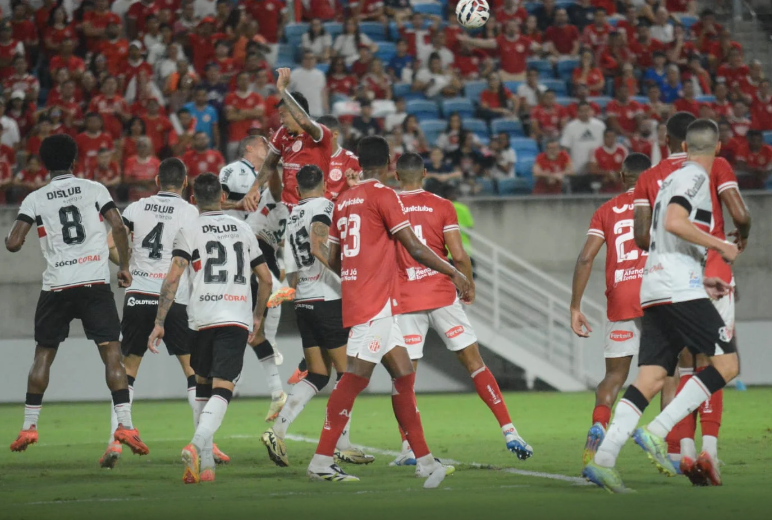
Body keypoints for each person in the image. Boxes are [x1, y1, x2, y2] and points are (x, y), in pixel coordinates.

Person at [583, 119, 740, 493]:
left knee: (651, 377)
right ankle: (658, 430)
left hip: (651, 285)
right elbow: (676, 221)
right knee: (725, 364)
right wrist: (721, 245)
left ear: (672, 142)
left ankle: (604, 459)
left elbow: (644, 236)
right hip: (683, 285)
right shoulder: (698, 173)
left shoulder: (653, 178)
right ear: (713, 147)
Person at [305, 135, 471, 484]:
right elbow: (414, 247)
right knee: (355, 377)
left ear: (359, 162)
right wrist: (454, 272)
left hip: (367, 296)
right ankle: (321, 461)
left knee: (403, 373)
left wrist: (356, 276)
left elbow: (332, 256)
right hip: (375, 300)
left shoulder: (344, 199)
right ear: (389, 162)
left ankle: (424, 460)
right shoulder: (384, 195)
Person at [6, 134, 148, 457]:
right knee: (111, 352)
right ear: (74, 161)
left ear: (44, 164)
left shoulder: (35, 198)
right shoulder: (94, 189)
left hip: (56, 286)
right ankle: (125, 424)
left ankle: (29, 426)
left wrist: (12, 239)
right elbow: (118, 226)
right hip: (93, 283)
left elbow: (13, 243)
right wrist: (125, 267)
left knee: (43, 354)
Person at [391, 152, 533, 465]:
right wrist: (468, 284)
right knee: (474, 363)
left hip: (405, 298)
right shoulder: (443, 205)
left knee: (405, 376)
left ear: (396, 176)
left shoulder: (387, 205)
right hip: (442, 294)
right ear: (425, 173)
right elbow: (458, 254)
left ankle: (409, 448)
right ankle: (510, 431)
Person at [99, 158, 229, 468]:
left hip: (138, 295)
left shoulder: (137, 208)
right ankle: (204, 443)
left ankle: (114, 442)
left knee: (128, 369)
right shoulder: (190, 211)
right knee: (193, 371)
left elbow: (110, 243)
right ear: (185, 183)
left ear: (157, 181)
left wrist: (127, 267)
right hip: (175, 299)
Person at [148, 173, 273, 484]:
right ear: (222, 197)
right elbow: (266, 279)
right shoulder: (243, 229)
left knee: (202, 386)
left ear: (193, 200)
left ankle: (205, 466)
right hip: (235, 317)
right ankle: (196, 445)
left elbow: (172, 278)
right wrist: (258, 316)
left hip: (201, 318)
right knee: (223, 387)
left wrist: (160, 322)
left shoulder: (188, 229)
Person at [261, 165, 374, 467]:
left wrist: (299, 294)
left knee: (318, 374)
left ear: (297, 189)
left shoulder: (293, 215)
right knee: (348, 375)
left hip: (304, 300)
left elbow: (291, 268)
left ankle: (277, 430)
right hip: (328, 299)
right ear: (324, 185)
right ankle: (341, 444)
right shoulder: (325, 207)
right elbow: (317, 245)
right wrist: (346, 277)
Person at [570, 153, 652, 467]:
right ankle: (674, 448)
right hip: (655, 294)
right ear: (651, 178)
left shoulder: (605, 210)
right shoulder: (659, 204)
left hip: (620, 296)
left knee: (615, 375)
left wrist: (575, 306)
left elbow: (585, 258)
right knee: (670, 372)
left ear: (621, 177)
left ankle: (599, 425)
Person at [242, 68, 334, 210]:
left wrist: (283, 90)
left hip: (315, 206)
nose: (281, 120)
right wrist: (254, 188)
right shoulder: (282, 133)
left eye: (283, 115)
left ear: (296, 113)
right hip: (288, 207)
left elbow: (303, 121)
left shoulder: (320, 132)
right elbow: (269, 164)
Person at [317, 115, 362, 201]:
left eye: (322, 135)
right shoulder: (309, 157)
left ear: (335, 134)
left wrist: (356, 187)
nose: (318, 139)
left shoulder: (351, 161)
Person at [560, 102, 605, 175]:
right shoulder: (570, 127)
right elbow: (565, 148)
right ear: (577, 112)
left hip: (597, 167)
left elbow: (605, 146)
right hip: (577, 167)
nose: (584, 113)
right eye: (582, 111)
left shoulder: (600, 125)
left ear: (591, 111)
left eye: (587, 110)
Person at [588, 128, 627, 193]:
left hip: (618, 180)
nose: (610, 139)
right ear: (604, 138)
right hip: (602, 181)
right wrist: (608, 174)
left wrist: (614, 174)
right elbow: (593, 169)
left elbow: (626, 168)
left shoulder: (622, 150)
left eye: (613, 137)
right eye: (608, 137)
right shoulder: (596, 151)